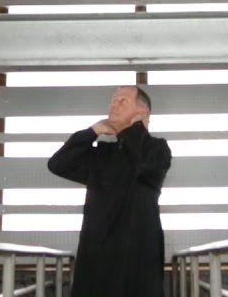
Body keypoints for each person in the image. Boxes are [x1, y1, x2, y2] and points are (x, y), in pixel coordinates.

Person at [47, 86, 172, 297]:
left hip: (138, 261)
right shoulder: (102, 154)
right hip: (98, 259)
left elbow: (142, 163)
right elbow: (58, 164)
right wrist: (92, 131)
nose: (113, 104)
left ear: (143, 111)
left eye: (122, 100)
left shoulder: (158, 149)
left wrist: (134, 129)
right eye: (113, 100)